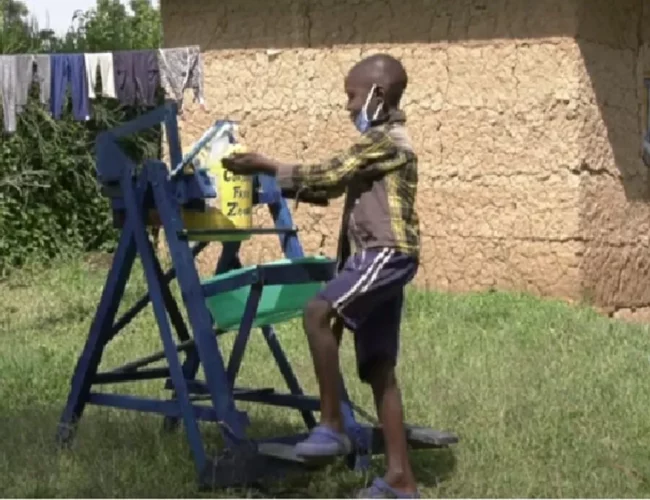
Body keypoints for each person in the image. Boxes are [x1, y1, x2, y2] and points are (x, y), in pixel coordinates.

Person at [222, 53, 421, 499]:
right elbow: (330, 187)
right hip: (377, 258)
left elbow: (332, 173)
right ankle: (401, 481)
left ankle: (331, 425)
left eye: (352, 96)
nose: (349, 106)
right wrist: (272, 183)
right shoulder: (379, 146)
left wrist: (267, 166)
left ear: (377, 94)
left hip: (384, 255)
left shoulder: (388, 142)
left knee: (317, 312)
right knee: (378, 367)